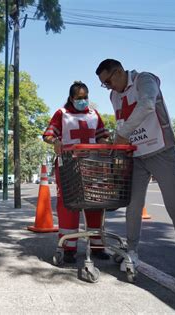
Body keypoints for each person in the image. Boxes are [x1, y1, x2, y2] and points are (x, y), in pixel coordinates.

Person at [95, 59, 175, 284]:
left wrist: (124, 132)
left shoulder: (144, 79)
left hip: (162, 151)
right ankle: (132, 251)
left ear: (119, 72)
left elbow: (147, 104)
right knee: (133, 207)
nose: (108, 87)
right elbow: (122, 121)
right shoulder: (114, 96)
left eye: (108, 81)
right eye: (104, 85)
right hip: (135, 157)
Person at [43, 81, 110, 263]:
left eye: (85, 97)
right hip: (68, 166)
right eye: (79, 98)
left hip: (92, 164)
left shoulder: (94, 114)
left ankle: (97, 246)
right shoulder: (62, 114)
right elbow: (48, 135)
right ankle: (69, 248)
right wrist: (55, 142)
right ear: (71, 98)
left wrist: (105, 142)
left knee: (95, 203)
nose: (83, 100)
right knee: (69, 206)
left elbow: (102, 136)